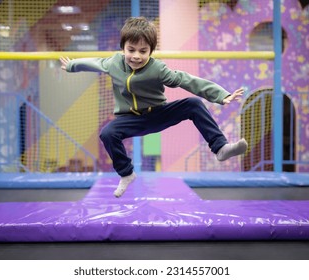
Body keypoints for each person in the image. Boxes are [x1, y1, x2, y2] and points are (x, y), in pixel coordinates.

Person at [60, 17, 248, 198]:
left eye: (143, 51)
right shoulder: (113, 63)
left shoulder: (157, 69)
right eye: (131, 50)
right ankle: (126, 174)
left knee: (193, 104)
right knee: (107, 133)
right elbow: (94, 63)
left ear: (150, 51)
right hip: (130, 119)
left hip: (158, 114)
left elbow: (185, 79)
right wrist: (72, 66)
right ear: (122, 48)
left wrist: (221, 95)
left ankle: (220, 148)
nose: (136, 56)